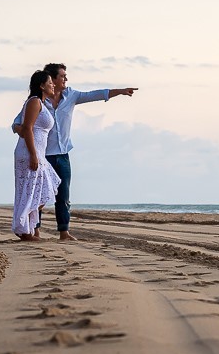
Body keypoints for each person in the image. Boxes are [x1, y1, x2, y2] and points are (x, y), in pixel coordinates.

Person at [12, 63, 137, 240]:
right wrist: (24, 133)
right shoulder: (38, 101)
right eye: (62, 76)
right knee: (38, 193)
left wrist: (121, 91)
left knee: (62, 195)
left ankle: (64, 232)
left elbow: (94, 94)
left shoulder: (71, 95)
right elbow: (18, 124)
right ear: (51, 79)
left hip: (62, 154)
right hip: (42, 154)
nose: (66, 79)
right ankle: (33, 229)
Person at [12, 70, 62, 240]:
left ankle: (26, 227)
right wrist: (33, 155)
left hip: (38, 153)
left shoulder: (41, 103)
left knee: (44, 189)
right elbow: (27, 128)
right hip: (29, 152)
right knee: (29, 192)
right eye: (50, 83)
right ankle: (23, 231)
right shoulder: (34, 101)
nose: (53, 85)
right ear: (41, 86)